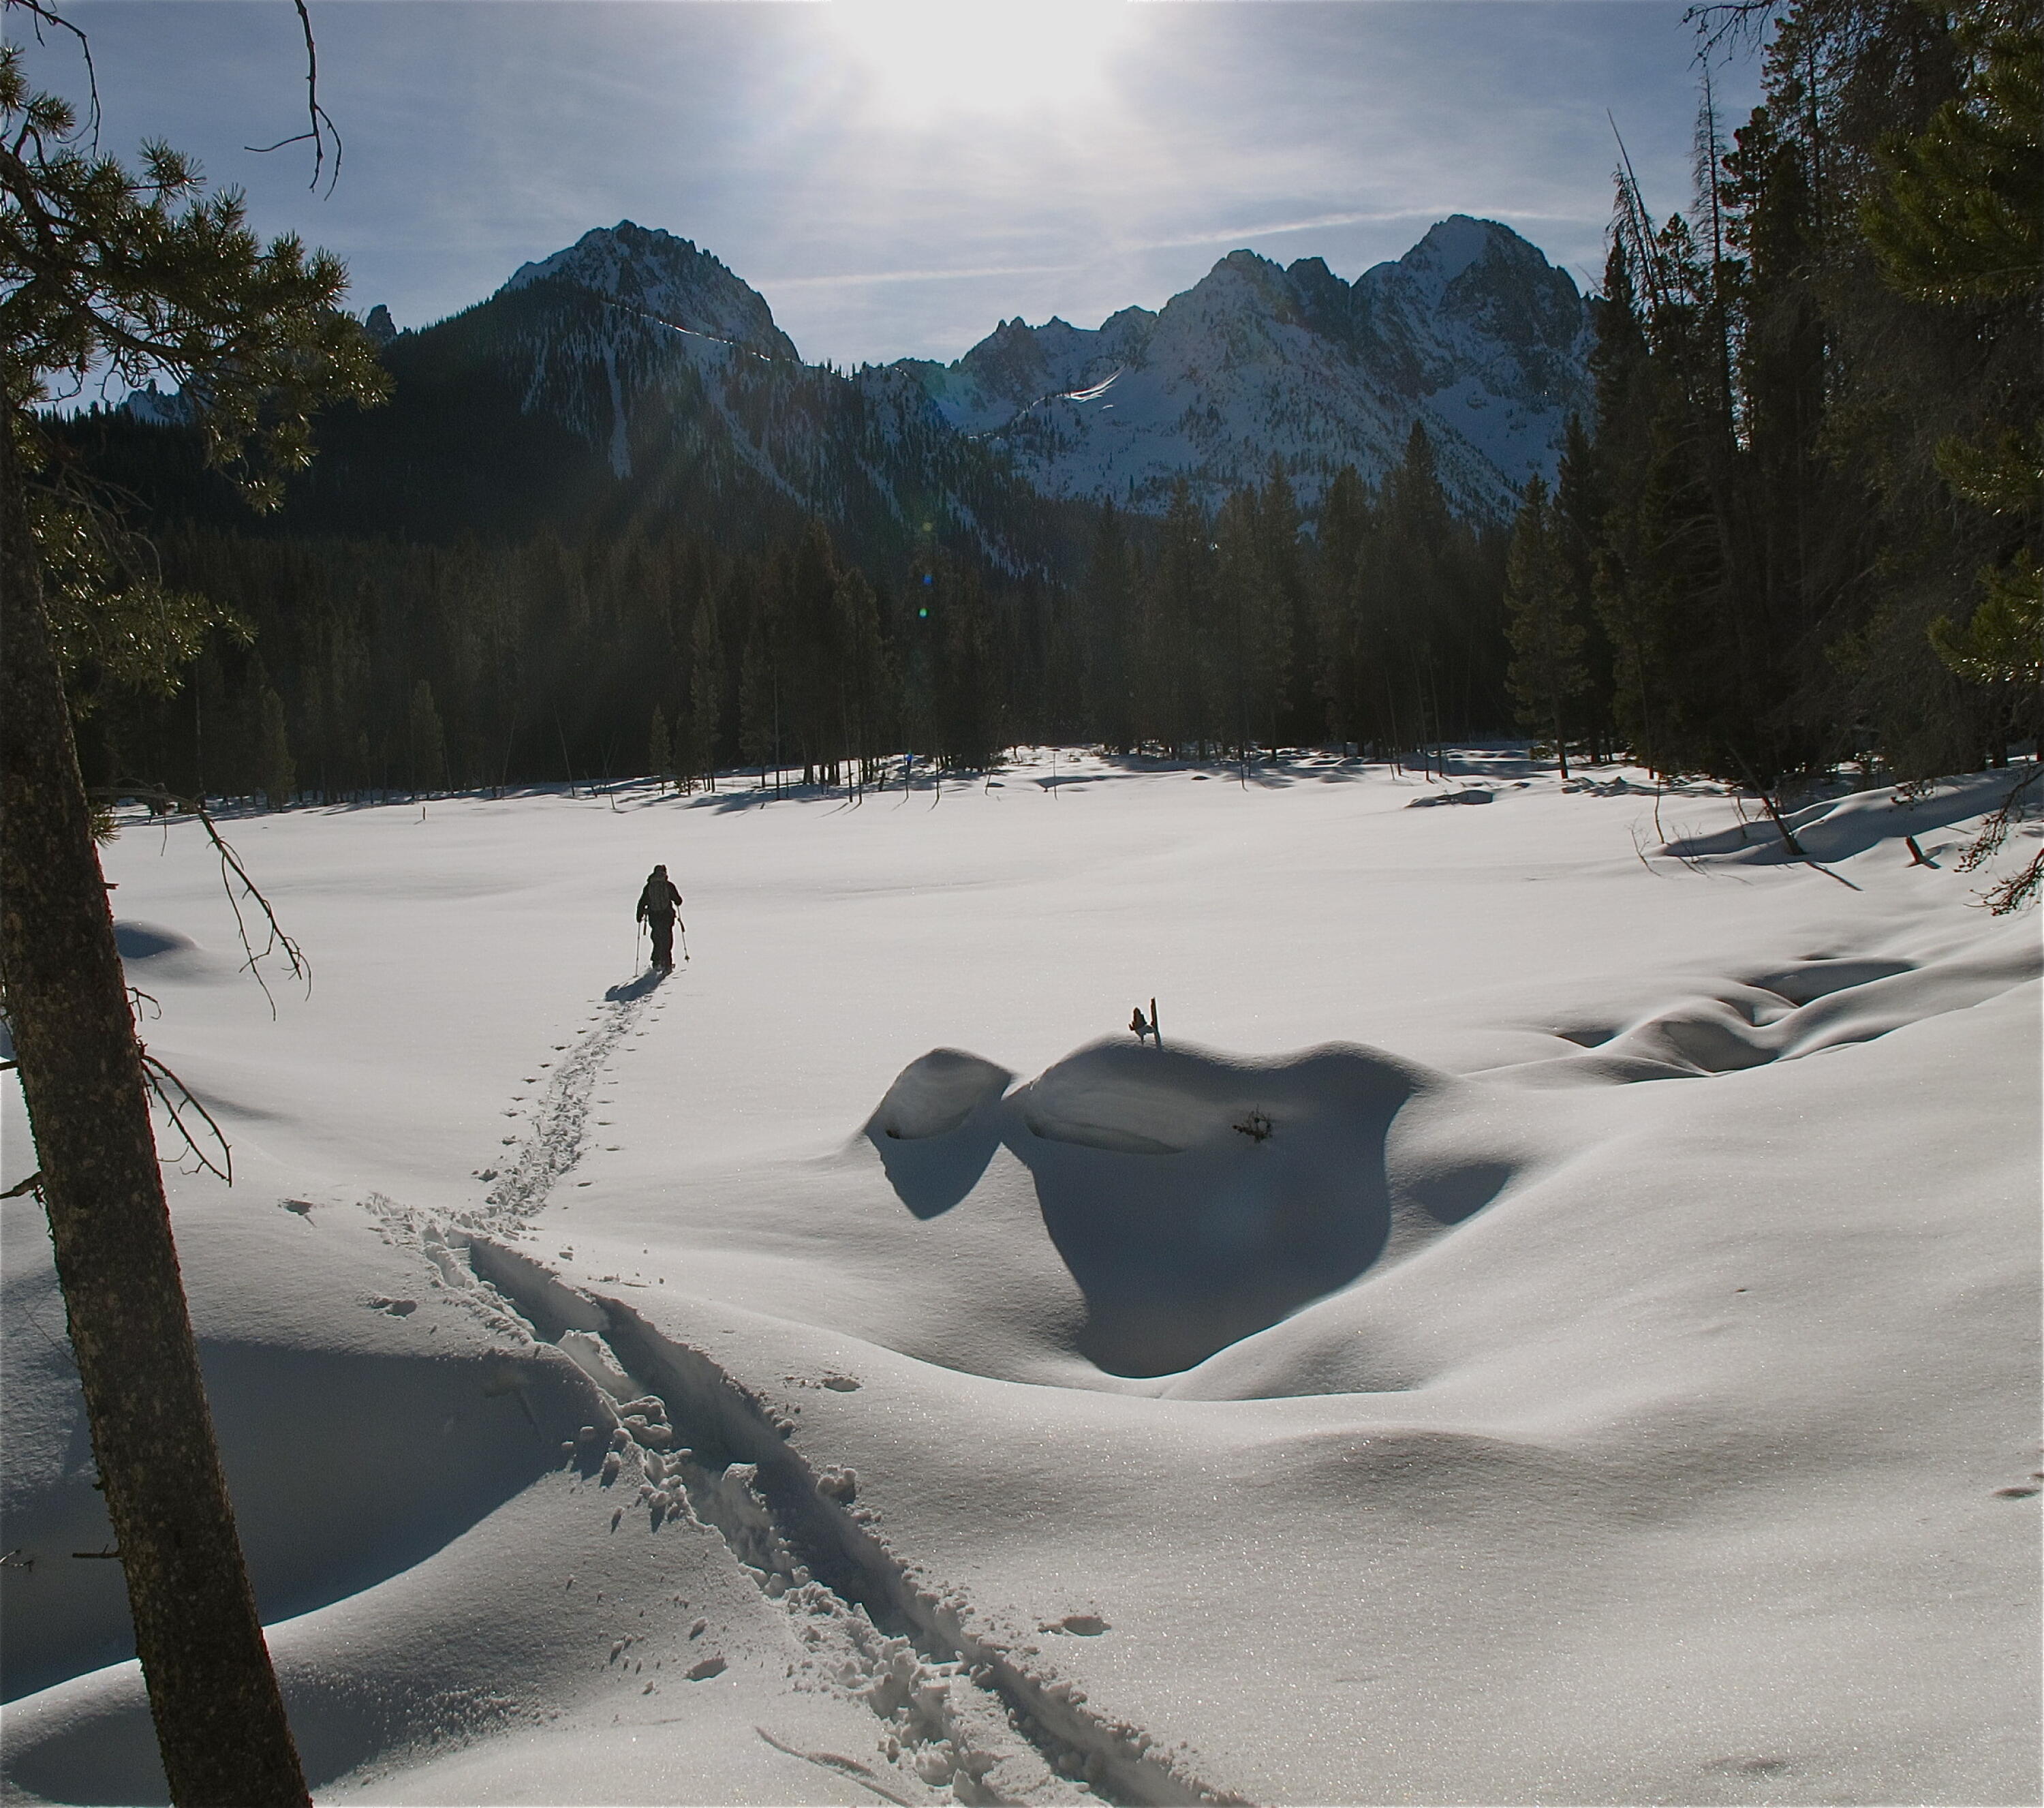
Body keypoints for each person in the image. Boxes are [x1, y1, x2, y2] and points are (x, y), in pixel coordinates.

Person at [636, 864, 683, 970]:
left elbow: (642, 901)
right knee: (667, 939)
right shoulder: (668, 885)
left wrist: (639, 915)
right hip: (667, 916)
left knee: (657, 939)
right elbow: (678, 901)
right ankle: (667, 964)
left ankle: (656, 962)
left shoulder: (649, 886)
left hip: (654, 916)